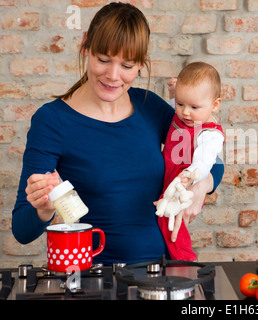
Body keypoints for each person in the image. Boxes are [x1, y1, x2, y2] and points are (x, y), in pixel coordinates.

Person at [11, 3, 223, 265]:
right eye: (103, 60)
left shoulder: (150, 107)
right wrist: (43, 211)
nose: (113, 76)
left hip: (161, 274)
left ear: (140, 66)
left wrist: (203, 185)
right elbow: (21, 230)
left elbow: (212, 157)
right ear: (86, 47)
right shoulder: (52, 121)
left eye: (127, 65)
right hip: (92, 278)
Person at [156, 62, 224, 261]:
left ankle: (184, 259)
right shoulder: (183, 116)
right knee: (165, 217)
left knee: (172, 224)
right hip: (168, 178)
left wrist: (191, 175)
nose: (185, 112)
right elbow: (172, 114)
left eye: (194, 107)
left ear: (215, 105)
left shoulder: (210, 133)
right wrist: (172, 95)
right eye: (180, 103)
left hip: (183, 182)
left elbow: (204, 160)